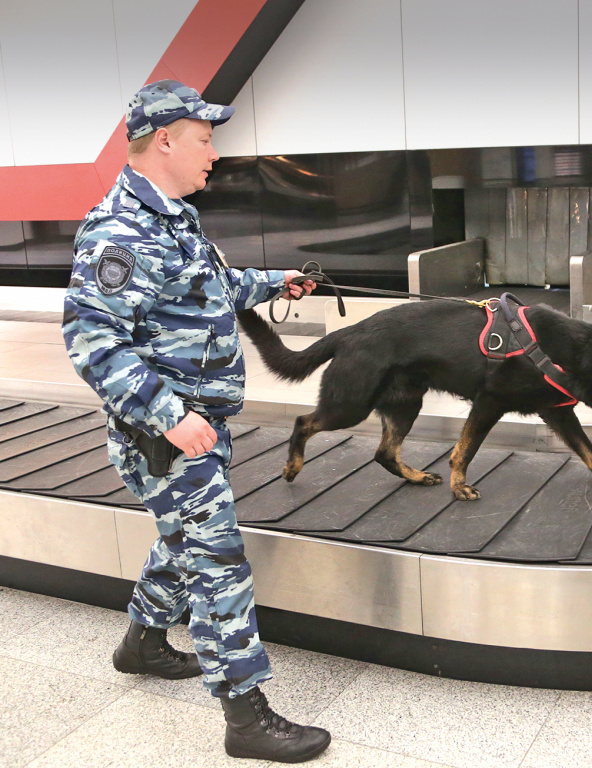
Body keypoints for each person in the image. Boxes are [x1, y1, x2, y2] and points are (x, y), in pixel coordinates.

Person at [62, 80, 330, 763]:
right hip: (163, 433)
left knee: (183, 541)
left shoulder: (174, 217)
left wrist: (278, 284)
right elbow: (93, 338)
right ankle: (246, 717)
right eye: (205, 139)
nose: (214, 153)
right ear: (165, 142)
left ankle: (142, 644)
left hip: (197, 422)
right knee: (217, 561)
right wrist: (168, 414)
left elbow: (214, 287)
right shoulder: (120, 231)